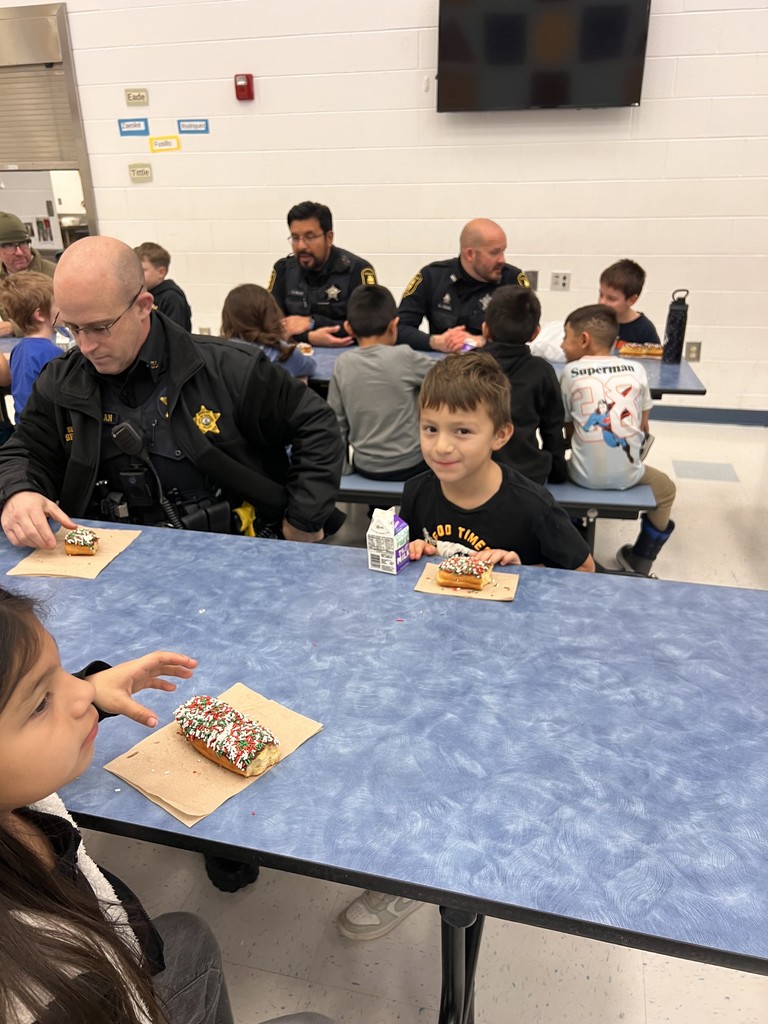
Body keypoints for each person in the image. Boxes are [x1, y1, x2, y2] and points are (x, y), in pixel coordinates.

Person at [337, 352, 593, 942]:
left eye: (461, 431)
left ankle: (451, 867)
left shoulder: (530, 506)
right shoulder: (419, 489)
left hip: (508, 668)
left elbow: (585, 578)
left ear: (500, 435)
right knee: (414, 756)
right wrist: (413, 550)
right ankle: (407, 866)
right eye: (430, 428)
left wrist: (524, 571)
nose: (441, 446)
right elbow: (409, 549)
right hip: (432, 654)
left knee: (479, 772)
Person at [0, 586, 337, 1024]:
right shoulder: (32, 992)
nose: (80, 692)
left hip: (124, 966)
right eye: (41, 702)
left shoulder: (16, 803)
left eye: (62, 673)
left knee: (189, 935)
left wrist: (95, 691)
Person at [0, 236, 344, 550]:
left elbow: (317, 425)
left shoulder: (230, 369)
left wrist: (303, 519)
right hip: (103, 563)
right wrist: (19, 492)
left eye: (100, 327)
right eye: (73, 328)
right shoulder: (60, 382)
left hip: (235, 557)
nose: (86, 345)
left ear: (143, 305)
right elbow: (23, 450)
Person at [560, 304, 676, 575]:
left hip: (581, 477)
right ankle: (641, 561)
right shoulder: (637, 369)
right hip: (630, 476)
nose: (563, 345)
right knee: (666, 490)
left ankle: (574, 542)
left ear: (584, 340)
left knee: (557, 474)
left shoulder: (569, 372)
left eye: (566, 337)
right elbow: (643, 426)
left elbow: (569, 432)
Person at [327, 284, 433, 479]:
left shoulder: (342, 364)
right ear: (394, 325)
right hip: (412, 463)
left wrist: (343, 470)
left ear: (349, 328)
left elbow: (335, 421)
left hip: (365, 466)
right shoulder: (405, 356)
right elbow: (447, 375)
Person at [395, 218, 530, 353]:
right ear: (470, 254)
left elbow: (529, 333)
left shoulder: (512, 280)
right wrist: (435, 341)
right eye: (494, 253)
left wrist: (484, 342)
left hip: (495, 362)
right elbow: (398, 329)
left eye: (503, 251)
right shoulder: (432, 277)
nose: (502, 260)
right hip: (443, 362)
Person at [483, 285, 566, 486]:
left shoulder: (463, 367)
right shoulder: (542, 371)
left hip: (471, 473)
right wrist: (558, 474)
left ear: (485, 329)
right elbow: (552, 430)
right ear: (536, 333)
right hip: (526, 476)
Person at [268, 201, 377, 348]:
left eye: (310, 237)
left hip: (346, 355)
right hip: (295, 354)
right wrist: (309, 338)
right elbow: (270, 326)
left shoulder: (358, 271)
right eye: (295, 238)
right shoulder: (283, 270)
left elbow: (370, 327)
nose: (301, 246)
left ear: (329, 238)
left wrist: (312, 322)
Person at [220, 283, 317, 383]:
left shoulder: (219, 353)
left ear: (228, 318)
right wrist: (282, 341)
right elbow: (311, 367)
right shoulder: (285, 354)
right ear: (272, 313)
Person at [0, 271, 62, 415]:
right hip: (45, 425)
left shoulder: (18, 350)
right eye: (57, 303)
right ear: (39, 315)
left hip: (23, 423)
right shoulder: (53, 354)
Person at [0, 212, 57, 338]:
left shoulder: (54, 274)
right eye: (9, 246)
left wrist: (13, 327)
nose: (19, 252)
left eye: (24, 244)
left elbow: (69, 319)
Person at [598, 258, 661, 353]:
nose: (602, 302)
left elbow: (655, 360)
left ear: (632, 300)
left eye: (611, 298)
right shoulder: (594, 321)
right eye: (601, 295)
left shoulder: (645, 330)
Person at [134, 242, 192, 332]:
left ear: (161, 272)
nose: (136, 274)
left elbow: (176, 333)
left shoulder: (172, 298)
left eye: (142, 270)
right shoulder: (138, 293)